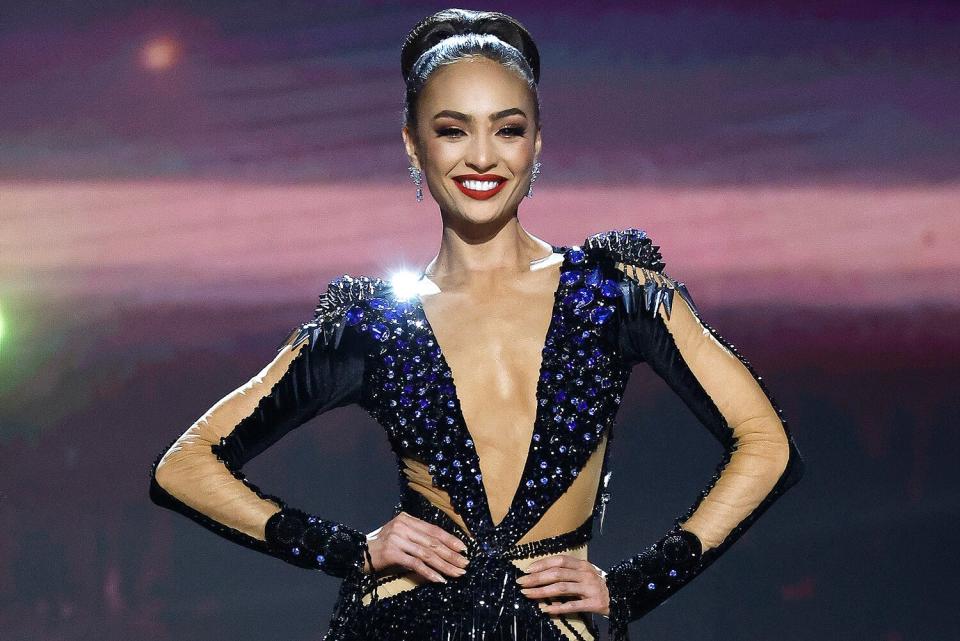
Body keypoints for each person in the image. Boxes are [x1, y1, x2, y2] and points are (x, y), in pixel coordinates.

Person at [148, 8, 805, 641]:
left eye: (508, 128)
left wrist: (638, 583)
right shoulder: (374, 324)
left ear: (537, 140)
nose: (483, 156)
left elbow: (765, 444)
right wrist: (345, 547)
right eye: (453, 129)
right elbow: (185, 466)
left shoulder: (618, 293)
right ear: (413, 144)